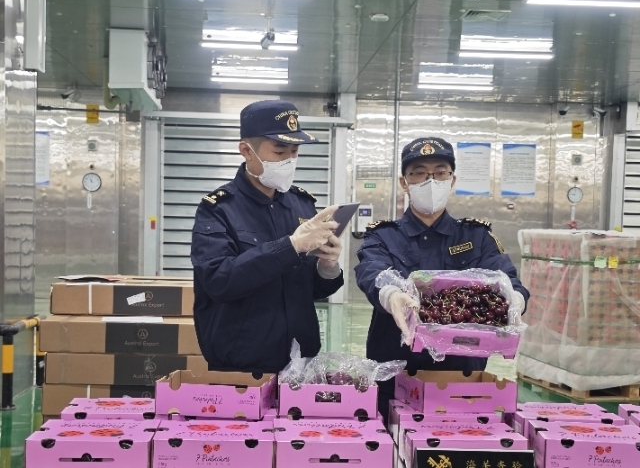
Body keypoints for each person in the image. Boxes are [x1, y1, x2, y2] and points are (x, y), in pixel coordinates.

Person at [354, 136, 529, 424]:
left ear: (452, 180)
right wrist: (390, 295)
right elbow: (371, 270)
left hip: (461, 375)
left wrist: (516, 300)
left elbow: (507, 279)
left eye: (439, 173)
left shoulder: (476, 236)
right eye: (419, 173)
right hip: (397, 373)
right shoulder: (383, 235)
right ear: (404, 182)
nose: (430, 181)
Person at [191, 100, 345, 376]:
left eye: (294, 152)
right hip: (242, 366)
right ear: (246, 151)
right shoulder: (218, 209)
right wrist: (291, 246)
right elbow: (218, 281)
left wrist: (328, 267)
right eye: (279, 151)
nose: (289, 160)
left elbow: (311, 290)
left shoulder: (302, 205)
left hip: (302, 362)